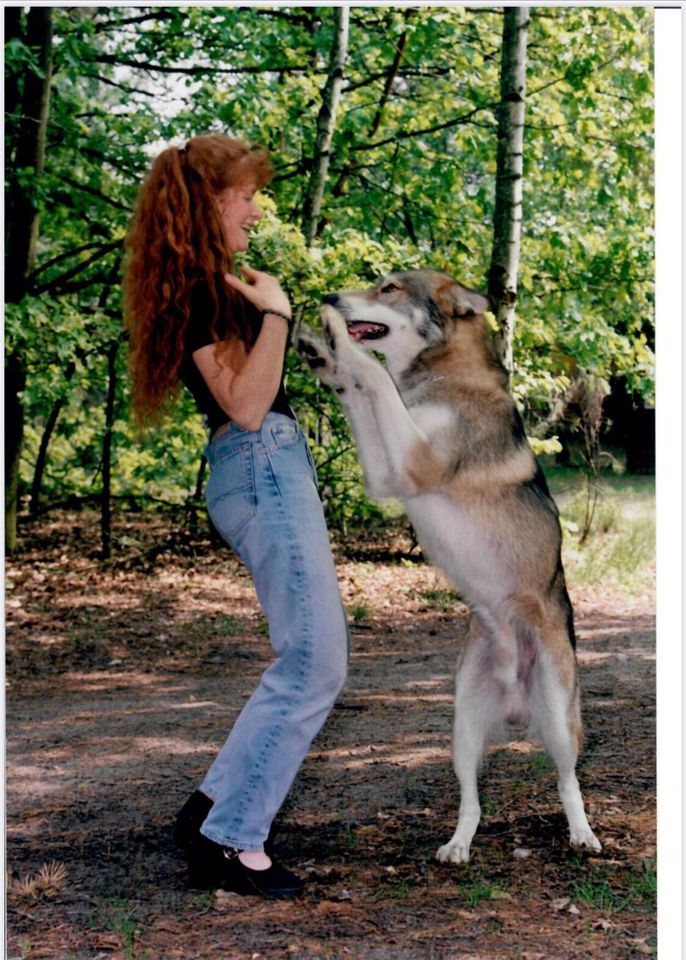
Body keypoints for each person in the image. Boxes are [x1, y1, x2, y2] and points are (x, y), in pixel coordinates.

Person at [124, 134, 349, 899]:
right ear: (209, 201)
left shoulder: (205, 284)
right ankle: (232, 839)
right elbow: (248, 406)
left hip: (258, 470)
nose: (255, 208)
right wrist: (279, 313)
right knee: (316, 662)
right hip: (261, 464)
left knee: (302, 657)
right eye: (245, 194)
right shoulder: (204, 292)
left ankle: (213, 808)